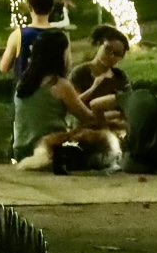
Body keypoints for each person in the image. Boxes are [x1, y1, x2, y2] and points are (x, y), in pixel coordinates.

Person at [8, 29, 111, 168]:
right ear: (60, 55)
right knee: (100, 139)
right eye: (68, 51)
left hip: (21, 151)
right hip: (49, 149)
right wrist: (113, 116)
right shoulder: (59, 84)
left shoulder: (23, 82)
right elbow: (89, 119)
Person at [0, 0, 60, 78]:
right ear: (51, 8)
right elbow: (67, 65)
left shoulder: (18, 34)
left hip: (25, 89)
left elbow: (4, 67)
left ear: (30, 7)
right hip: (51, 89)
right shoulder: (60, 35)